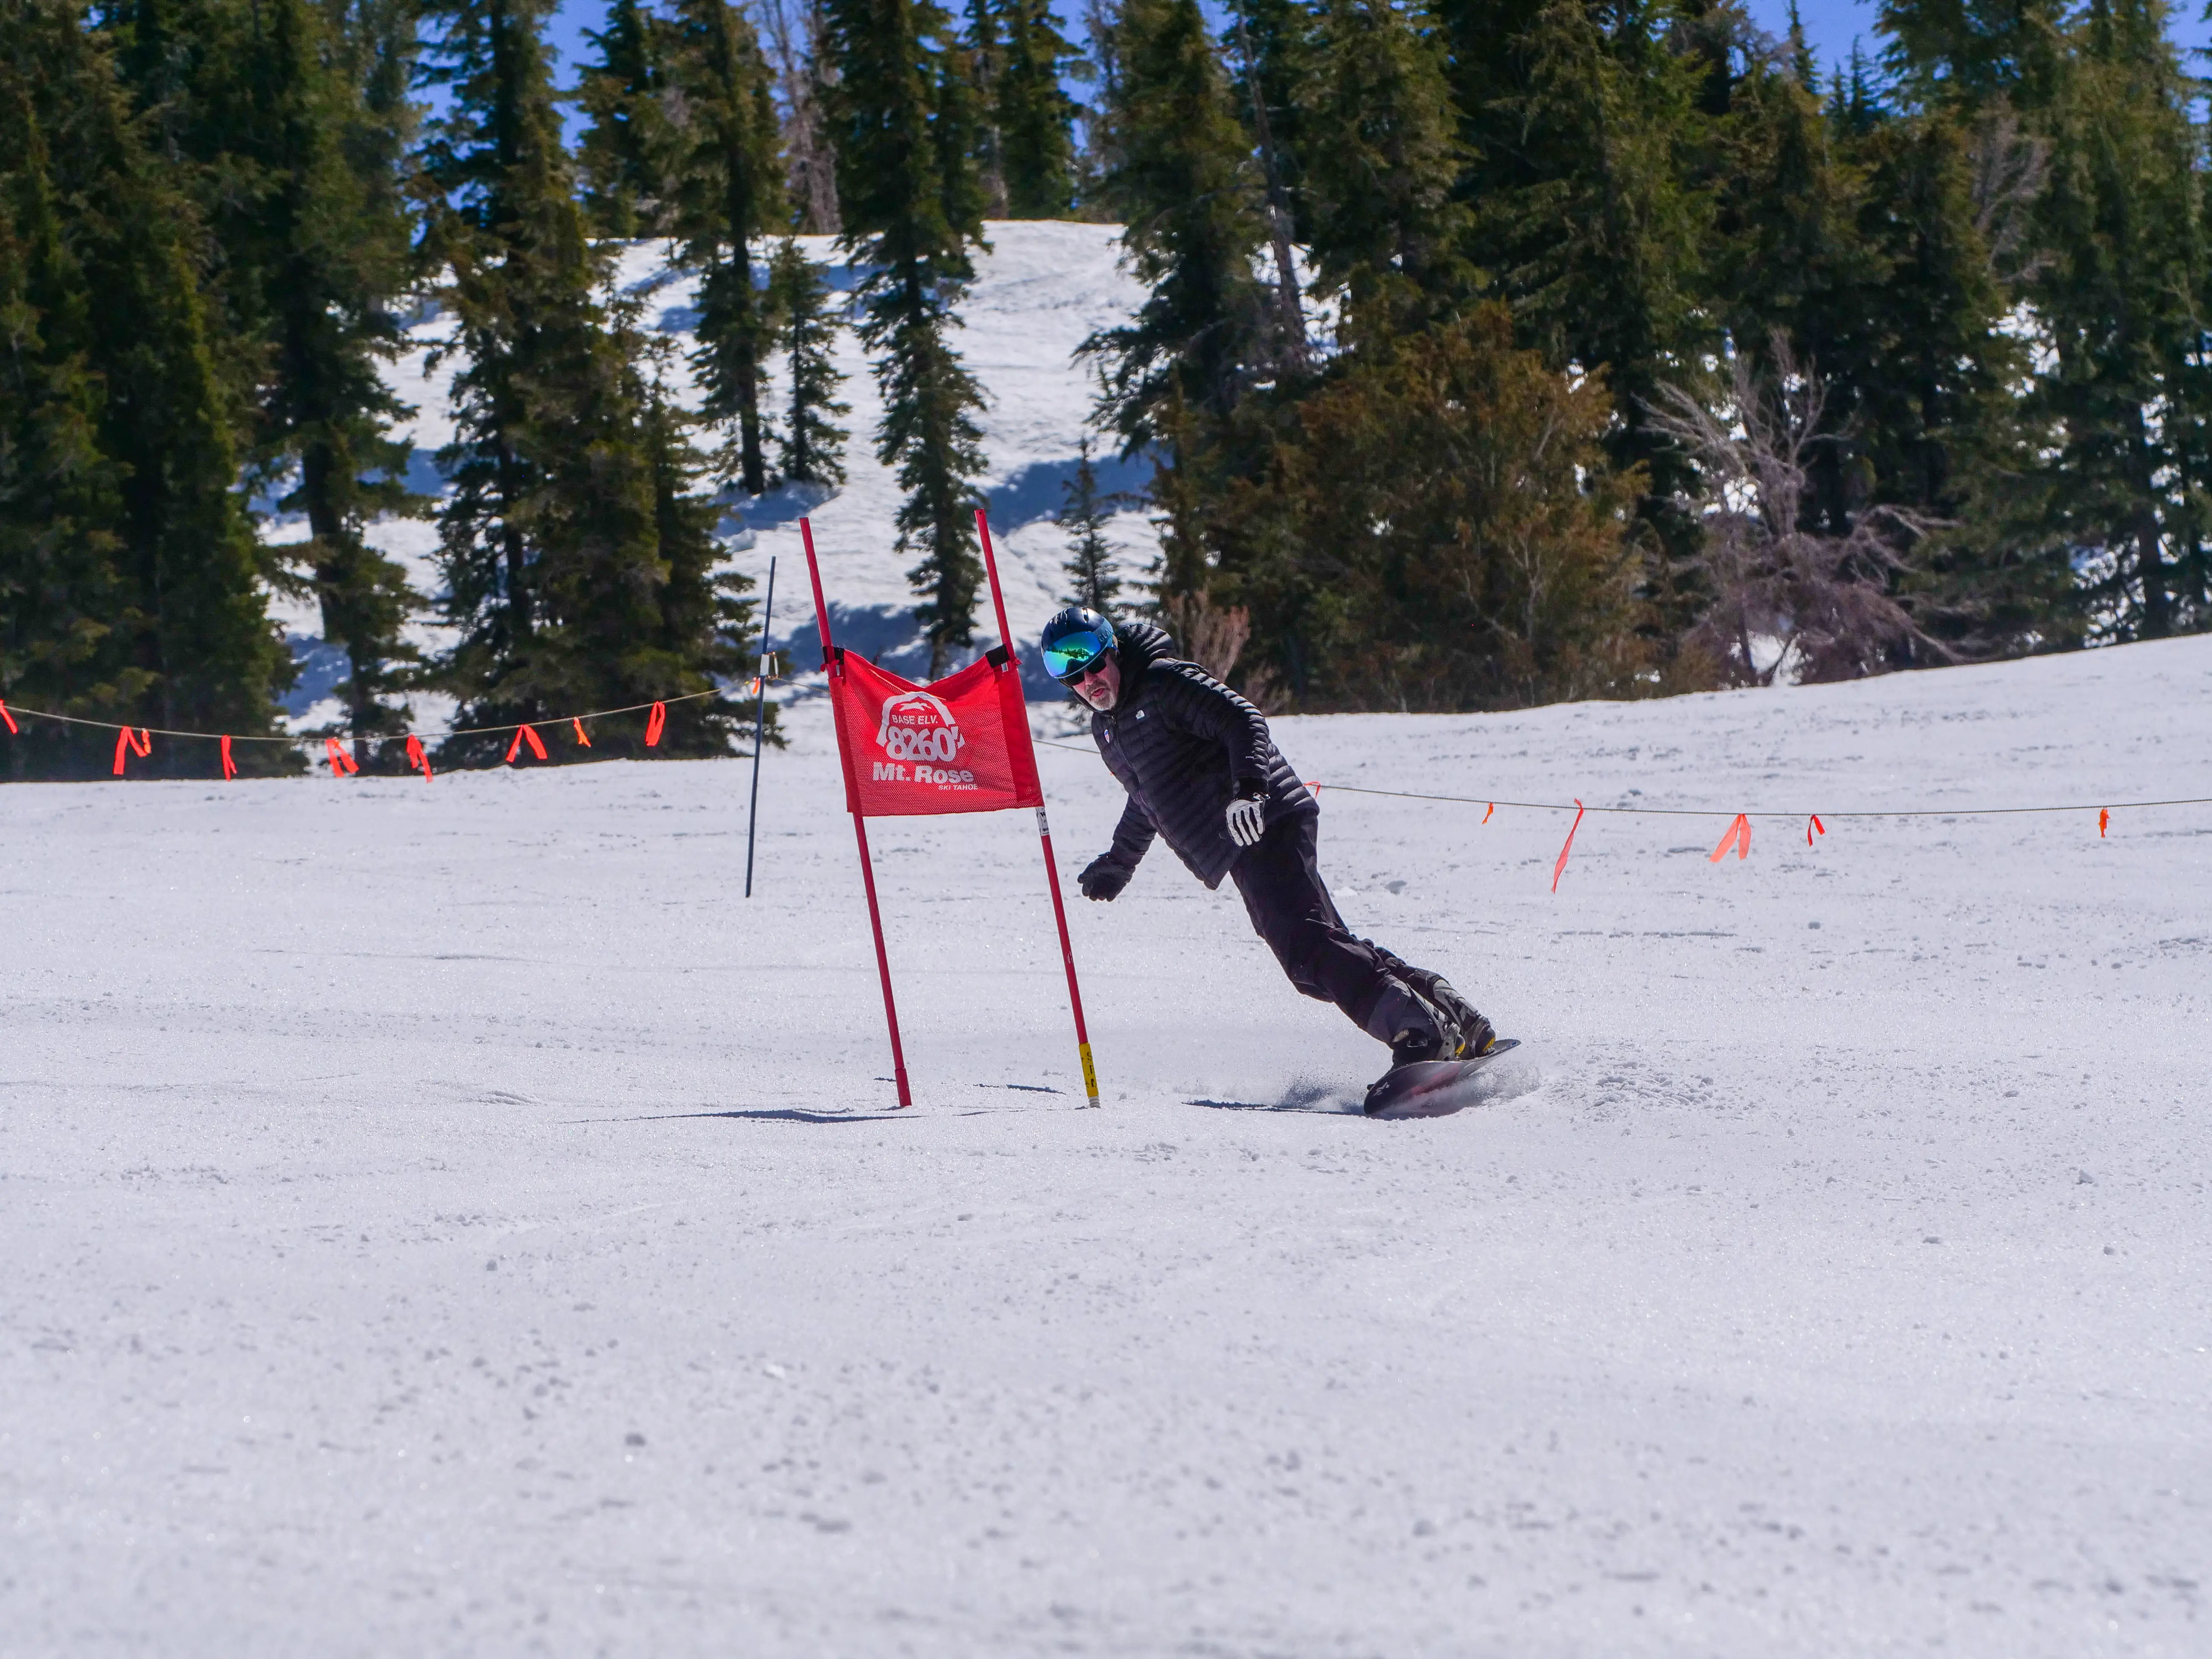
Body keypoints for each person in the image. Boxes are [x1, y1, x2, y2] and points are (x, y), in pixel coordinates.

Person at [1042, 605, 1496, 1071]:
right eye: (1073, 676)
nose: (1089, 681)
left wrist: (1250, 792)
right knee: (1325, 944)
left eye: (1095, 664)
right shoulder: (1110, 729)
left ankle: (1422, 1033)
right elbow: (1147, 799)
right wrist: (1119, 863)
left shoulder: (1162, 682)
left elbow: (1243, 720)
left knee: (1306, 952)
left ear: (1113, 651)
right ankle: (1458, 1021)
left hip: (1264, 819)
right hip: (1240, 838)